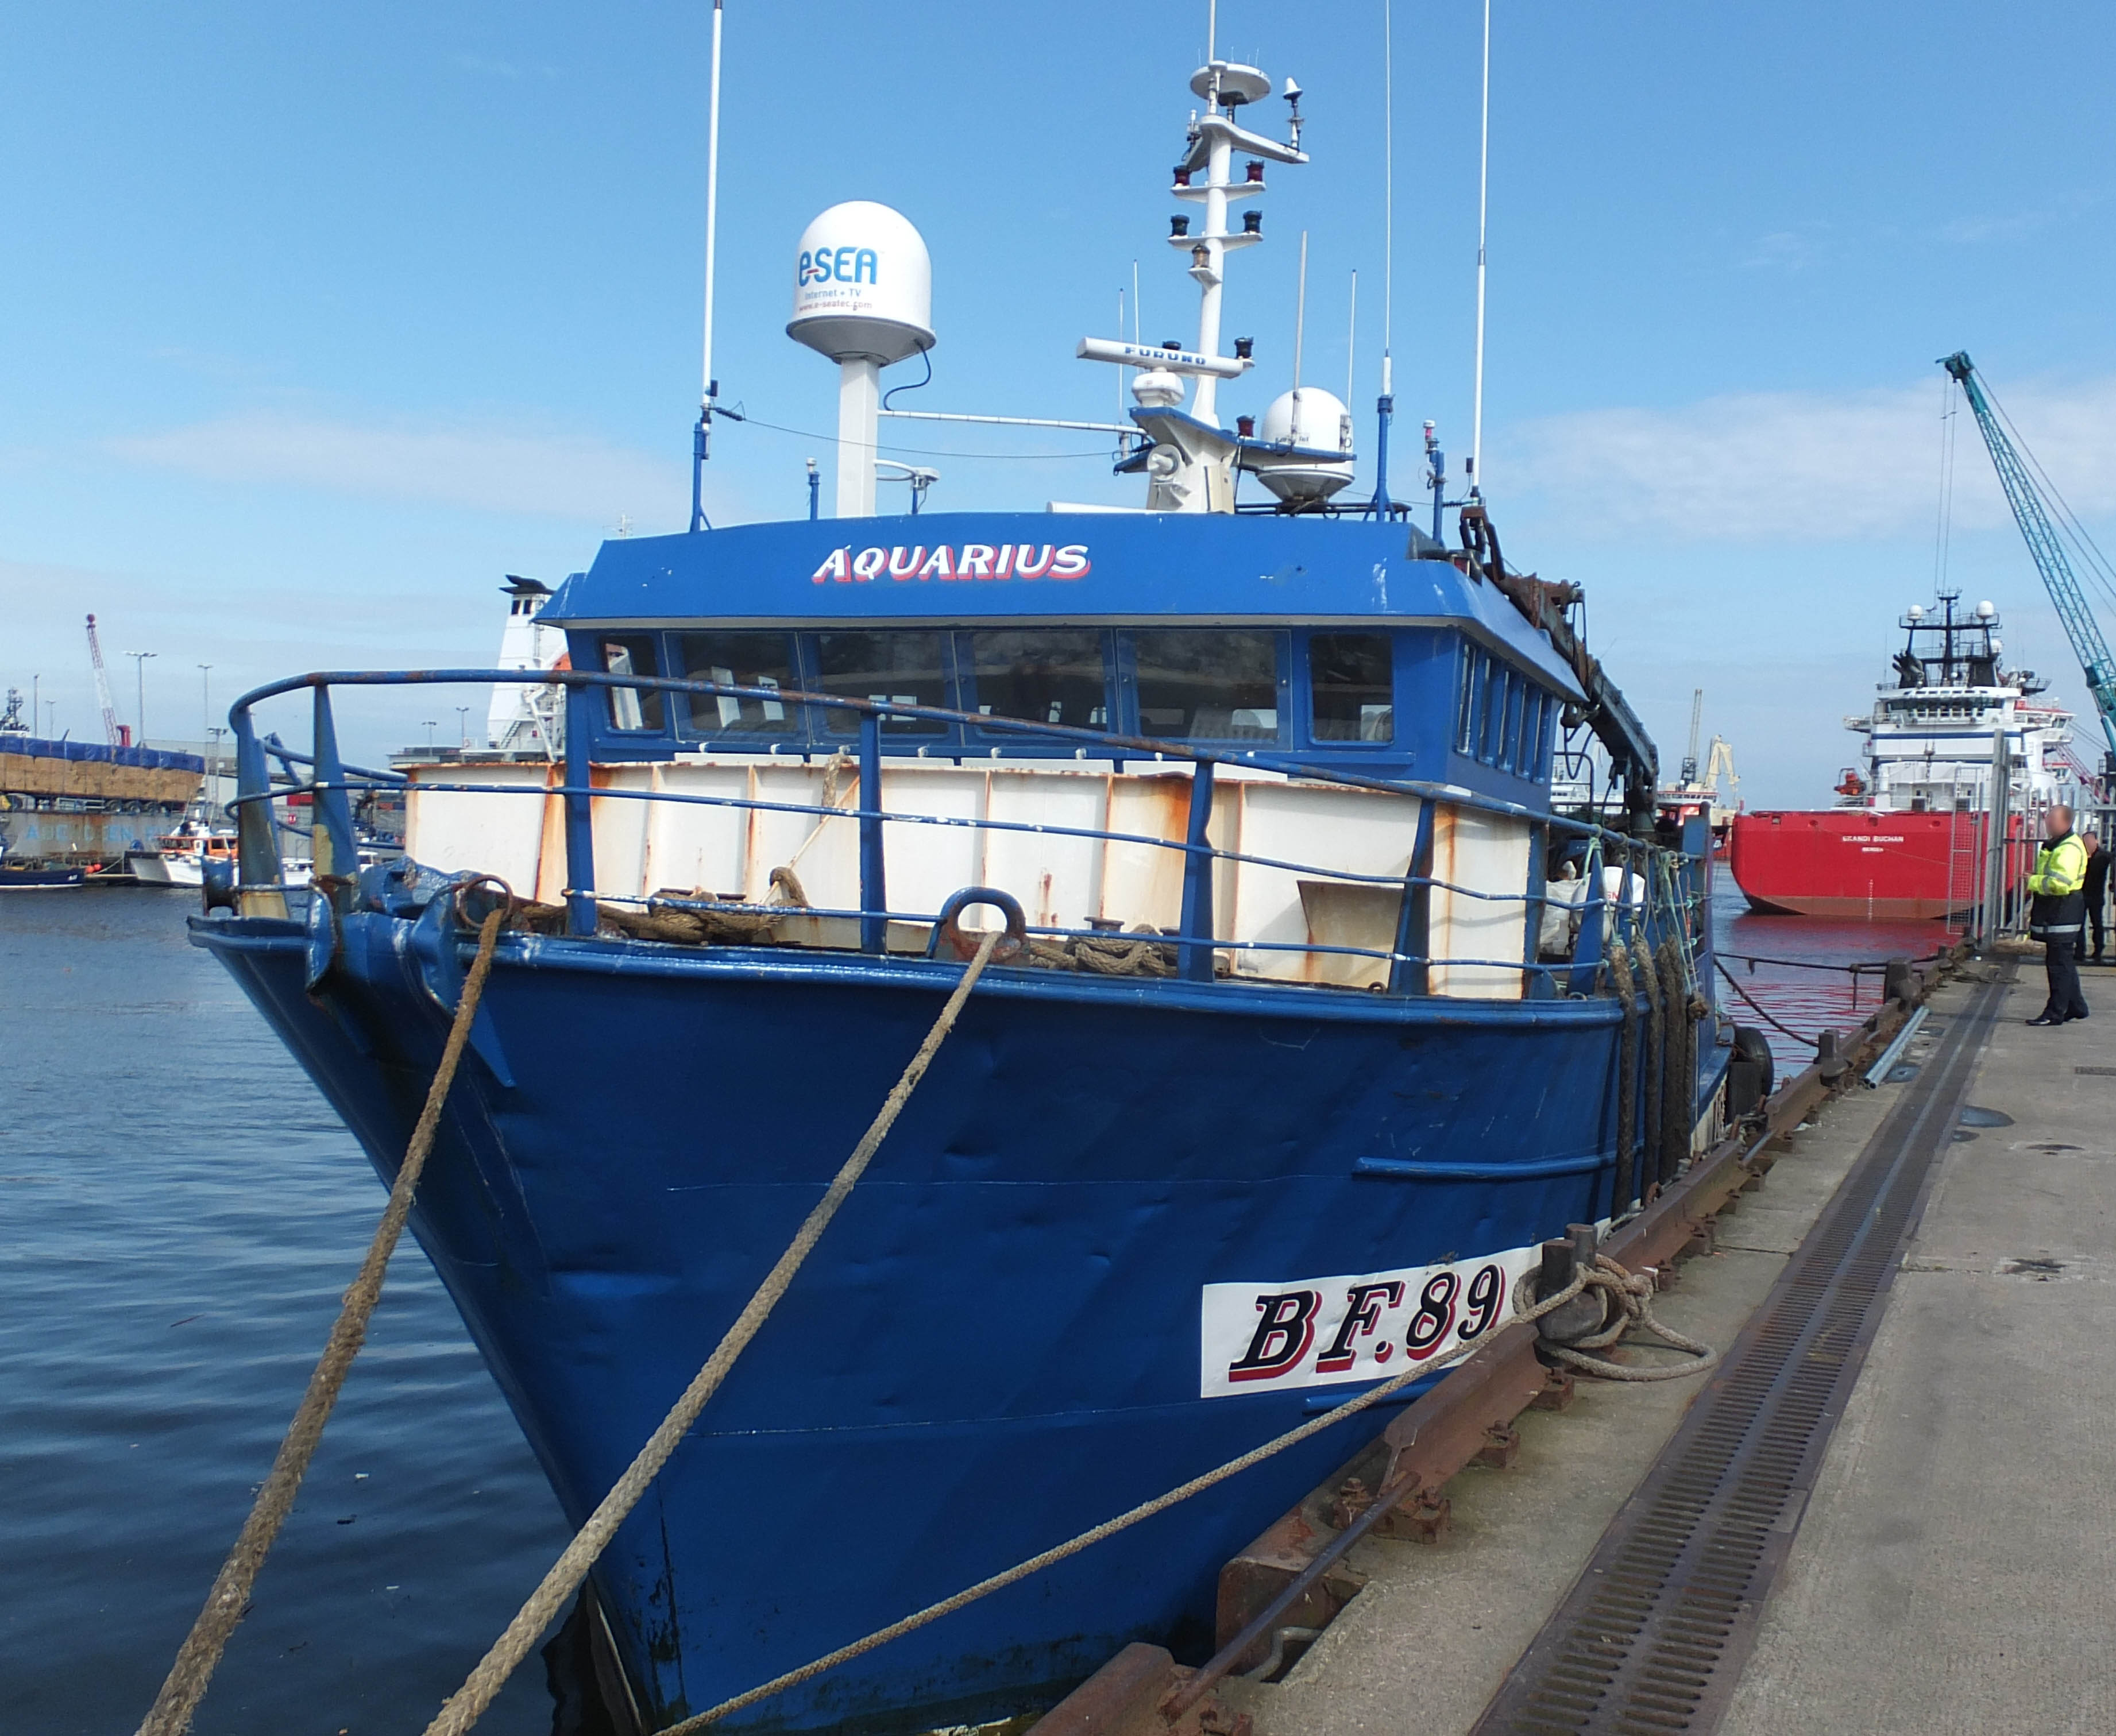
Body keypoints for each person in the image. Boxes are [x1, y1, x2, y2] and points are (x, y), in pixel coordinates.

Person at [2026, 805, 2091, 1026]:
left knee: (2058, 965)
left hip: (2063, 912)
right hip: (2058, 913)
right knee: (2062, 962)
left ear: (2065, 822)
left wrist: (2032, 881)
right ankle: (2077, 1006)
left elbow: (2060, 884)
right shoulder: (2058, 844)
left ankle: (2055, 1013)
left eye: (2052, 817)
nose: (2047, 820)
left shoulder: (2069, 849)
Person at [2084, 829, 2110, 963]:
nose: (2087, 843)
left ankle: (2098, 950)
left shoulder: (2103, 856)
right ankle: (2080, 951)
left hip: (2096, 895)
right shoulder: (2082, 855)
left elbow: (2097, 871)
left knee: (2097, 924)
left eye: (2090, 840)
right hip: (2082, 894)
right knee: (2079, 924)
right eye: (2086, 841)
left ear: (2096, 841)